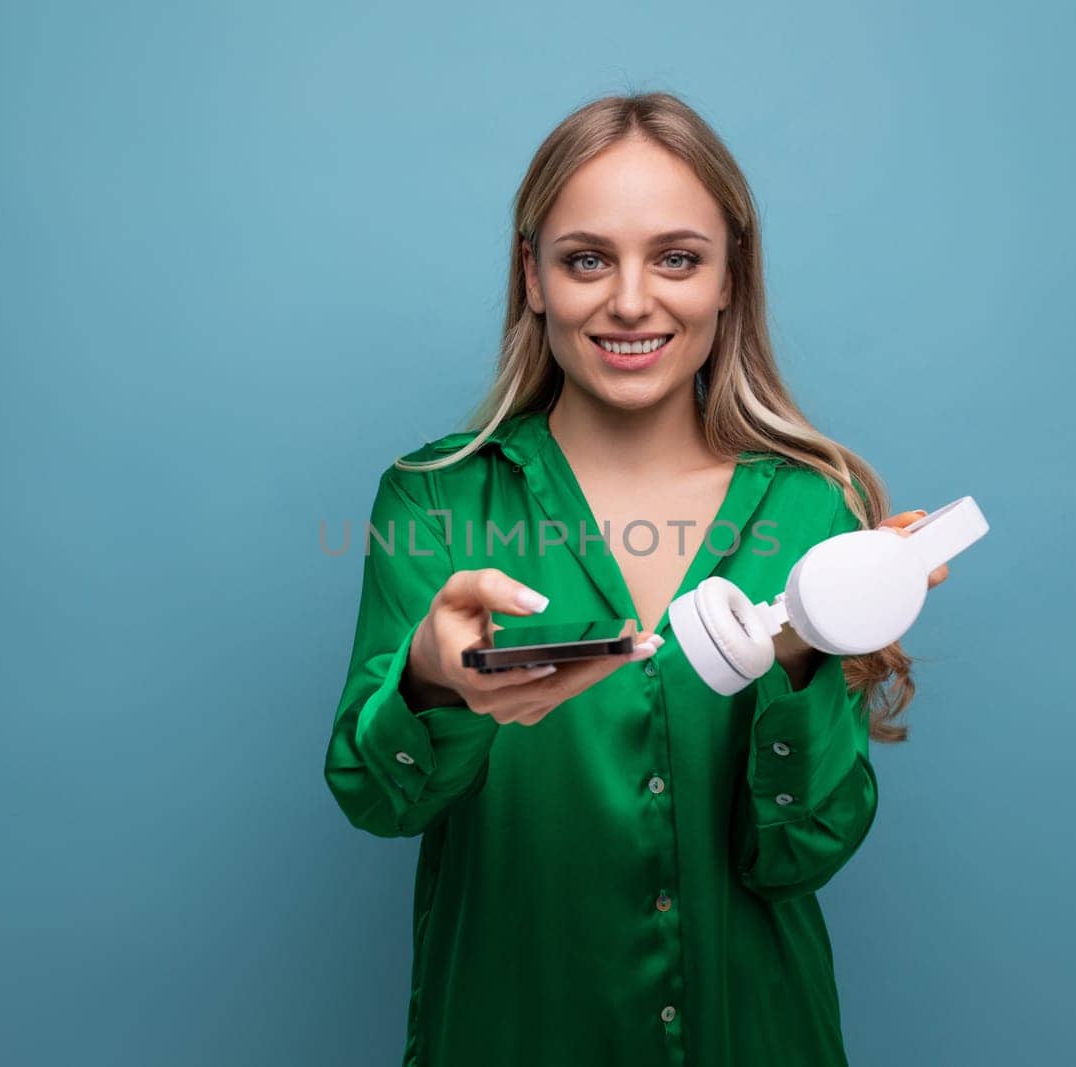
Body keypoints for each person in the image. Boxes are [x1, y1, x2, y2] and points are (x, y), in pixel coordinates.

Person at [323, 91, 949, 1067]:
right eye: (585, 259)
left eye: (675, 257)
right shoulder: (432, 498)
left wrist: (806, 646)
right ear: (531, 275)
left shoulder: (813, 512)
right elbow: (375, 797)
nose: (628, 300)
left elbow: (803, 850)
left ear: (729, 278)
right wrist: (430, 678)